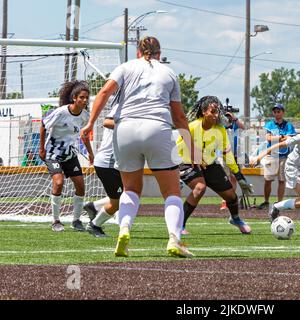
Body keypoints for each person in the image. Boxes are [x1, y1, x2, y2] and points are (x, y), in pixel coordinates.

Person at [80, 36, 195, 258]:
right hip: (157, 129)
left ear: (138, 53)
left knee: (130, 189)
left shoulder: (125, 67)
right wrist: (191, 146)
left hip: (125, 130)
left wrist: (90, 123)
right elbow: (179, 116)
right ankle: (174, 239)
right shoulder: (169, 73)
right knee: (171, 192)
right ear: (160, 53)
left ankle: (124, 230)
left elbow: (104, 93)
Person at [177, 96, 254, 235]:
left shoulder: (220, 130)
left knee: (231, 196)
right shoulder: (192, 127)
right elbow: (178, 148)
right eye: (213, 111)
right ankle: (179, 225)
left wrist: (239, 175)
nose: (216, 115)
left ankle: (235, 219)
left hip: (210, 165)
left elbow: (227, 154)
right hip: (189, 164)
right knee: (200, 188)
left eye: (218, 111)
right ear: (204, 111)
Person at [39, 80, 94, 232]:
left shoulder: (85, 116)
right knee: (58, 182)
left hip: (70, 155)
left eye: (86, 98)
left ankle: (76, 221)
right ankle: (56, 221)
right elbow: (43, 126)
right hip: (53, 154)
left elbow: (84, 136)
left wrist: (90, 153)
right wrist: (42, 149)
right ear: (74, 98)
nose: (84, 100)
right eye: (81, 97)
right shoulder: (61, 112)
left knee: (81, 186)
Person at [83, 107, 122, 238]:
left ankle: (93, 206)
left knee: (128, 195)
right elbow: (107, 122)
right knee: (119, 201)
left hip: (114, 163)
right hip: (108, 163)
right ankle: (95, 225)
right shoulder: (120, 107)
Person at [257, 103, 296, 209]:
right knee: (268, 179)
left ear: (283, 112)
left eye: (279, 111)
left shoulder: (289, 125)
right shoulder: (269, 124)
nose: (277, 113)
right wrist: (282, 137)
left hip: (284, 155)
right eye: (275, 111)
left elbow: (290, 138)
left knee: (282, 180)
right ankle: (266, 201)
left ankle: (279, 203)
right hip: (271, 155)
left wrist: (277, 137)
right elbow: (268, 138)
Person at [218, 110, 246, 212]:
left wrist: (234, 118)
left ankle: (231, 200)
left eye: (229, 116)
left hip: (236, 155)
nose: (228, 118)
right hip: (223, 155)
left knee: (234, 178)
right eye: (226, 116)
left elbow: (244, 128)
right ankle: (224, 202)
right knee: (225, 178)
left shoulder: (235, 124)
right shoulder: (220, 125)